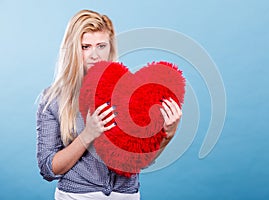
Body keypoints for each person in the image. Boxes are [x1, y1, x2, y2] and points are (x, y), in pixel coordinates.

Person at [36, 9, 182, 200]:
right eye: (85, 46)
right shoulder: (53, 99)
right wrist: (87, 135)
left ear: (110, 47)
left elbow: (139, 161)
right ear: (72, 49)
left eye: (101, 46)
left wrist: (167, 136)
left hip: (126, 195)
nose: (94, 55)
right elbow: (48, 169)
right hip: (76, 196)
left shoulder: (130, 92)